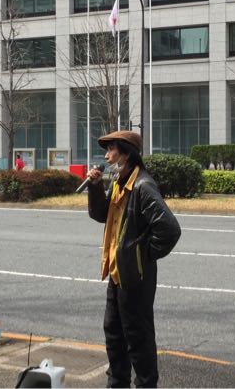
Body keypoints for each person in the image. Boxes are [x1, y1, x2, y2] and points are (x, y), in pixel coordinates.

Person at [86, 130, 181, 388]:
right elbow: (101, 214)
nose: (106, 156)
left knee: (138, 340)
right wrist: (95, 187)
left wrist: (141, 255)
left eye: (111, 150)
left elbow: (169, 229)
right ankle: (117, 384)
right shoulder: (120, 182)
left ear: (126, 154)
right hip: (118, 274)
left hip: (135, 277)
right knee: (114, 334)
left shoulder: (143, 186)